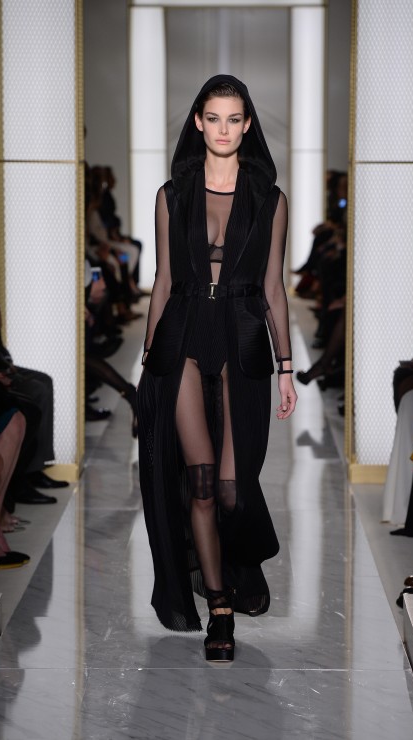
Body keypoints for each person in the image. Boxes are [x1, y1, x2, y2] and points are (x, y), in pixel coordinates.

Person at [137, 75, 297, 663]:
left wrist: (286, 366)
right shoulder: (171, 194)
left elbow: (273, 287)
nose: (223, 129)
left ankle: (245, 561)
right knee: (201, 482)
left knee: (232, 489)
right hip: (182, 334)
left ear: (247, 124)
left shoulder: (270, 199)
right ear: (198, 122)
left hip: (243, 335)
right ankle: (219, 608)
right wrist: (148, 360)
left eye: (234, 119)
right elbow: (163, 281)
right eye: (213, 118)